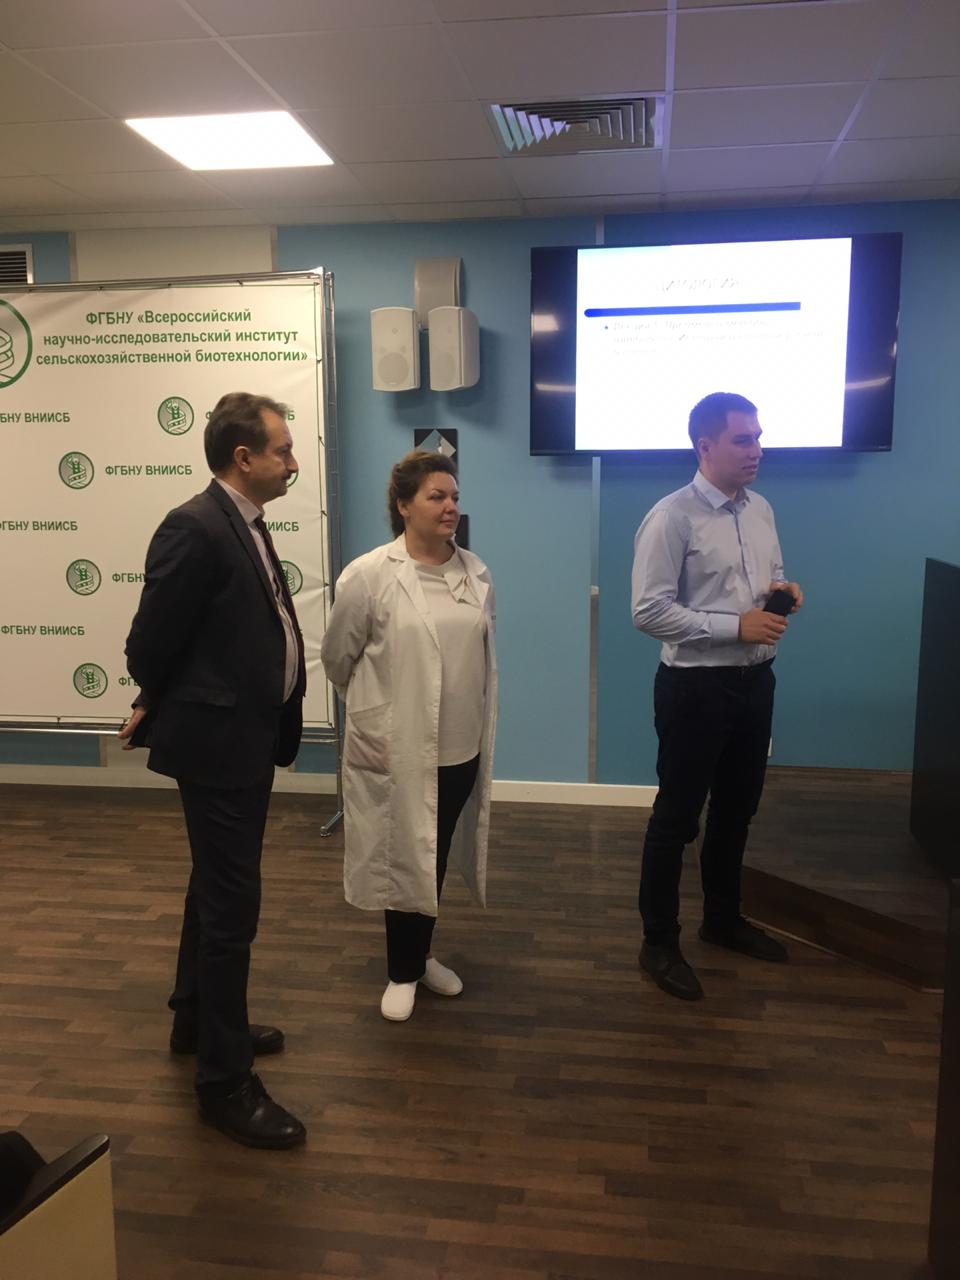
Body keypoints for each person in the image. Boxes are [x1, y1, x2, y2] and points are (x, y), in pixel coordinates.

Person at [120, 391, 307, 1148]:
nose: (292, 462)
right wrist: (158, 696)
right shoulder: (194, 527)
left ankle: (195, 1021)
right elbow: (149, 644)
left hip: (247, 740)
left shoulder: (246, 523)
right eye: (283, 450)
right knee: (232, 910)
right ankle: (224, 1083)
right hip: (220, 746)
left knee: (213, 888)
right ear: (243, 457)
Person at [631, 391, 804, 1001]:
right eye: (743, 440)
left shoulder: (761, 509)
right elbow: (647, 611)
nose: (757, 450)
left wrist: (782, 593)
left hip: (756, 683)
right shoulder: (670, 517)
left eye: (758, 438)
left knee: (737, 810)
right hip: (695, 689)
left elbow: (761, 582)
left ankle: (722, 921)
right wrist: (736, 626)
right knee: (677, 819)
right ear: (705, 446)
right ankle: (658, 943)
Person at [320, 450, 497, 1022]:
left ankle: (420, 956)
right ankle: (402, 970)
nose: (450, 507)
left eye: (455, 497)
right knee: (404, 856)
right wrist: (379, 711)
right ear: (403, 506)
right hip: (399, 747)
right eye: (436, 497)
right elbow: (338, 658)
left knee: (432, 854)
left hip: (461, 747)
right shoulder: (369, 575)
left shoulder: (475, 573)